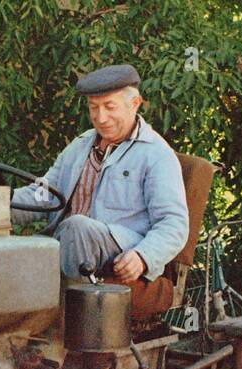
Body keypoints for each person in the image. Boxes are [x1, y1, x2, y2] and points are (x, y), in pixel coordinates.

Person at [10, 64, 188, 285]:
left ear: (134, 104)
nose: (101, 117)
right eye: (94, 107)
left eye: (109, 107)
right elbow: (44, 194)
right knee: (5, 253)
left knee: (78, 227)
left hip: (117, 249)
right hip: (64, 241)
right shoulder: (81, 145)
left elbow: (173, 223)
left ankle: (68, 316)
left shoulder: (156, 154)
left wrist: (143, 256)